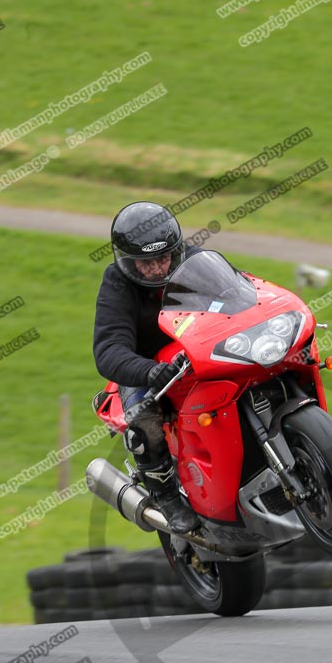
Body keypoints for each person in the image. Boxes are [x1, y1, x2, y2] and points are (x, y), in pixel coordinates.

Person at [93, 201, 202, 533]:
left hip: (200, 350)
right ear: (128, 261)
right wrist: (147, 371)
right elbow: (108, 349)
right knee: (143, 418)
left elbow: (244, 291)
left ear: (176, 250)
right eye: (146, 263)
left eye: (163, 258)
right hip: (148, 367)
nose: (157, 269)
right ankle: (166, 497)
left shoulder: (197, 262)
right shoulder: (117, 283)